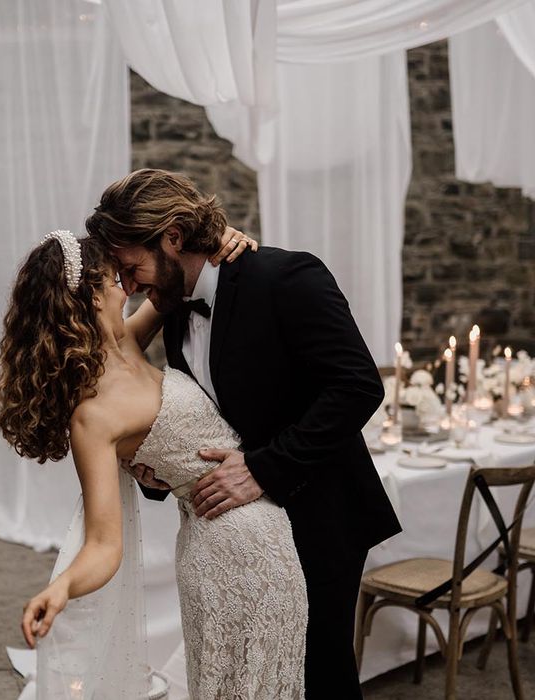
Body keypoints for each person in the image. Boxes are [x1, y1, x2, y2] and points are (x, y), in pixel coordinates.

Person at [85, 169, 402, 700]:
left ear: (174, 235)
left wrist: (262, 469)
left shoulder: (287, 277)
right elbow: (212, 414)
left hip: (318, 512)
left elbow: (357, 387)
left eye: (131, 265)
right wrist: (163, 471)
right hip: (240, 537)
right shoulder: (175, 306)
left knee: (319, 674)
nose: (129, 284)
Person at [0, 229, 307, 699]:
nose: (128, 286)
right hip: (221, 546)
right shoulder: (91, 415)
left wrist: (225, 238)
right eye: (113, 279)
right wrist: (59, 590)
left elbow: (185, 270)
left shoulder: (128, 341)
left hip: (265, 538)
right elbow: (103, 543)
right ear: (90, 297)